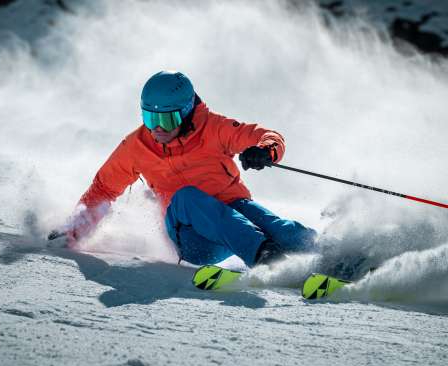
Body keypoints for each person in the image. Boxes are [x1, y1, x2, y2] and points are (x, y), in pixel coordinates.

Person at [49, 70, 317, 267]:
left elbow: (264, 135)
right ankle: (265, 257)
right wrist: (73, 230)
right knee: (187, 196)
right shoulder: (136, 146)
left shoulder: (214, 128)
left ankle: (330, 254)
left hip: (233, 213)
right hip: (192, 238)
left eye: (166, 119)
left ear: (187, 111)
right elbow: (104, 188)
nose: (158, 128)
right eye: (150, 117)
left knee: (279, 228)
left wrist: (265, 150)